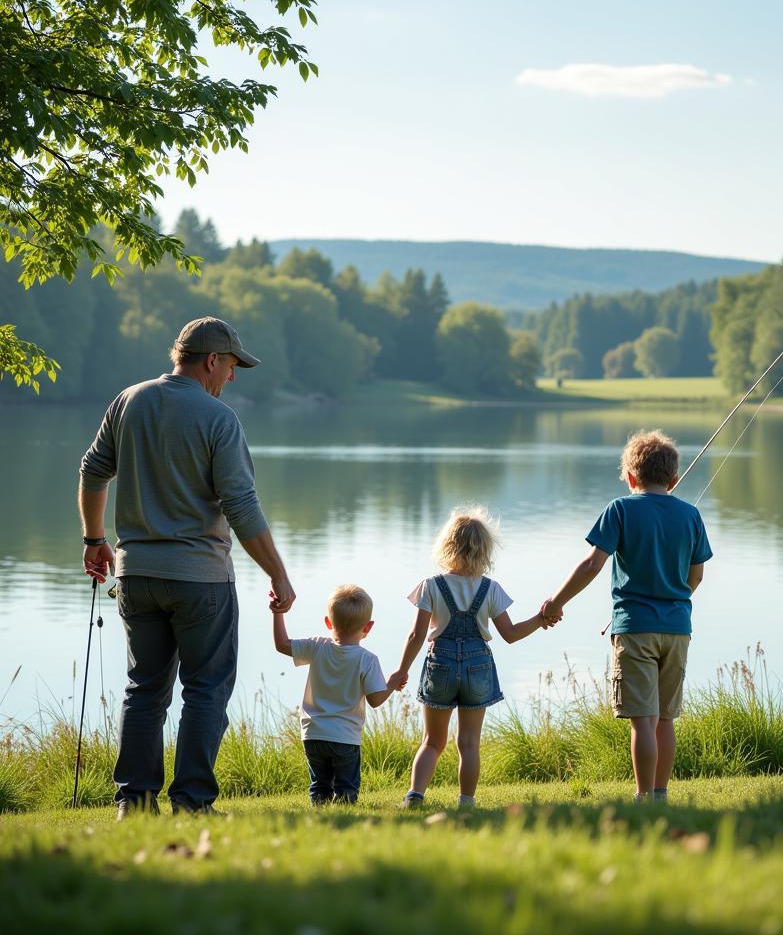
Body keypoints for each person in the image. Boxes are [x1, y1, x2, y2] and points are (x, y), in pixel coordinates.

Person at [79, 316, 297, 819]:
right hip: (201, 579)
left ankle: (133, 802)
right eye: (232, 366)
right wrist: (278, 574)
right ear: (211, 360)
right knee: (205, 689)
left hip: (136, 574)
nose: (233, 378)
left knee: (144, 689)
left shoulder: (128, 400)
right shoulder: (219, 419)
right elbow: (240, 505)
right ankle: (193, 802)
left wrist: (94, 539)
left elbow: (93, 470)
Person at [541, 430, 711, 803]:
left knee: (642, 720)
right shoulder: (692, 515)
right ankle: (661, 794)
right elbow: (696, 575)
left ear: (631, 478)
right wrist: (675, 598)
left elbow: (591, 565)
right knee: (666, 718)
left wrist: (556, 601)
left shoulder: (620, 509)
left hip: (635, 629)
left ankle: (642, 793)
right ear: (674, 479)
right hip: (678, 629)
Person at [389, 507, 553, 809]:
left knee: (432, 741)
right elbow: (512, 633)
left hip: (441, 664)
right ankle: (466, 802)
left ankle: (415, 796)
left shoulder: (431, 586)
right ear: (485, 550)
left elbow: (416, 635)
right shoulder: (490, 589)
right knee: (468, 743)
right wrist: (541, 619)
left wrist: (401, 670)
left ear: (447, 545)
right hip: (478, 666)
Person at [272, 584, 398, 805]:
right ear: (368, 627)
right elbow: (376, 700)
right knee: (346, 789)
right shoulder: (367, 659)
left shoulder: (317, 647)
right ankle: (344, 818)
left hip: (313, 734)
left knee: (319, 786)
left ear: (328, 623)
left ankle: (320, 818)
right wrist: (392, 684)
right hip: (345, 737)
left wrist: (277, 613)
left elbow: (282, 644)